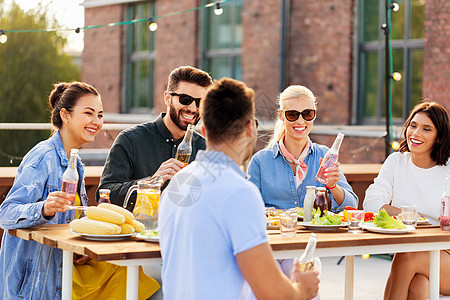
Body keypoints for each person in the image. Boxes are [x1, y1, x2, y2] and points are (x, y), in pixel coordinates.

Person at [159, 78, 320, 300]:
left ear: (204, 130)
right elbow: (272, 293)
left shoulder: (177, 184)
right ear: (250, 128)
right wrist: (303, 289)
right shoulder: (239, 193)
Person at [0, 82, 103, 299]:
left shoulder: (76, 165)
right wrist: (43, 209)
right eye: (89, 113)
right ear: (65, 116)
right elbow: (6, 212)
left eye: (100, 115)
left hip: (58, 278)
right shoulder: (42, 157)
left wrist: (79, 248)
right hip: (31, 288)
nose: (96, 122)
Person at [363, 101, 450, 299]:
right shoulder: (396, 162)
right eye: (413, 125)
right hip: (418, 252)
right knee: (418, 286)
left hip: (446, 252)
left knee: (407, 256)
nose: (416, 133)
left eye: (426, 129)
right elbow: (371, 203)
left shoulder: (448, 169)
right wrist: (411, 215)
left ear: (439, 137)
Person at [98, 66, 214, 211]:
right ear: (167, 98)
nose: (192, 108)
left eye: (200, 103)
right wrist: (152, 182)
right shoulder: (130, 139)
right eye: (185, 99)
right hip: (139, 232)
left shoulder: (206, 149)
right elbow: (105, 195)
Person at [248, 85, 358, 210]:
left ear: (315, 114)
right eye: (292, 114)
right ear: (281, 116)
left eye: (307, 114)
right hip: (276, 229)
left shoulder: (324, 155)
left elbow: (351, 205)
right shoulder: (260, 162)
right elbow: (248, 207)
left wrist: (333, 186)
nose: (300, 121)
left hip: (314, 230)